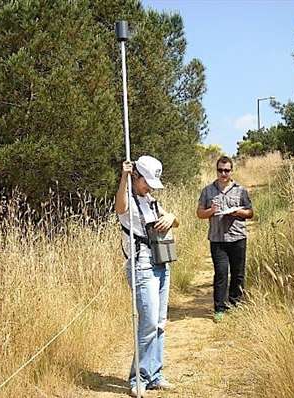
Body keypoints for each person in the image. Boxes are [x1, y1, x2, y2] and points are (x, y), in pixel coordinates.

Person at [115, 155, 179, 397]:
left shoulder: (151, 200)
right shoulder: (128, 200)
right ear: (136, 176)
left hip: (162, 264)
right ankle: (138, 378)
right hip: (142, 265)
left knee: (160, 323)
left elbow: (177, 221)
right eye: (146, 182)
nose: (150, 186)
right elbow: (119, 207)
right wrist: (124, 175)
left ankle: (155, 375)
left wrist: (172, 217)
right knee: (149, 322)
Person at [196, 155, 253, 323]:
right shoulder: (207, 190)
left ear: (231, 171)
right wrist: (211, 211)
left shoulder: (241, 190)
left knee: (238, 274)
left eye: (226, 170)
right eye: (220, 170)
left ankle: (235, 305)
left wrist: (238, 212)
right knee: (221, 273)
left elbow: (250, 213)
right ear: (217, 171)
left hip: (237, 237)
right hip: (217, 238)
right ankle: (219, 308)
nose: (223, 174)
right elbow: (199, 213)